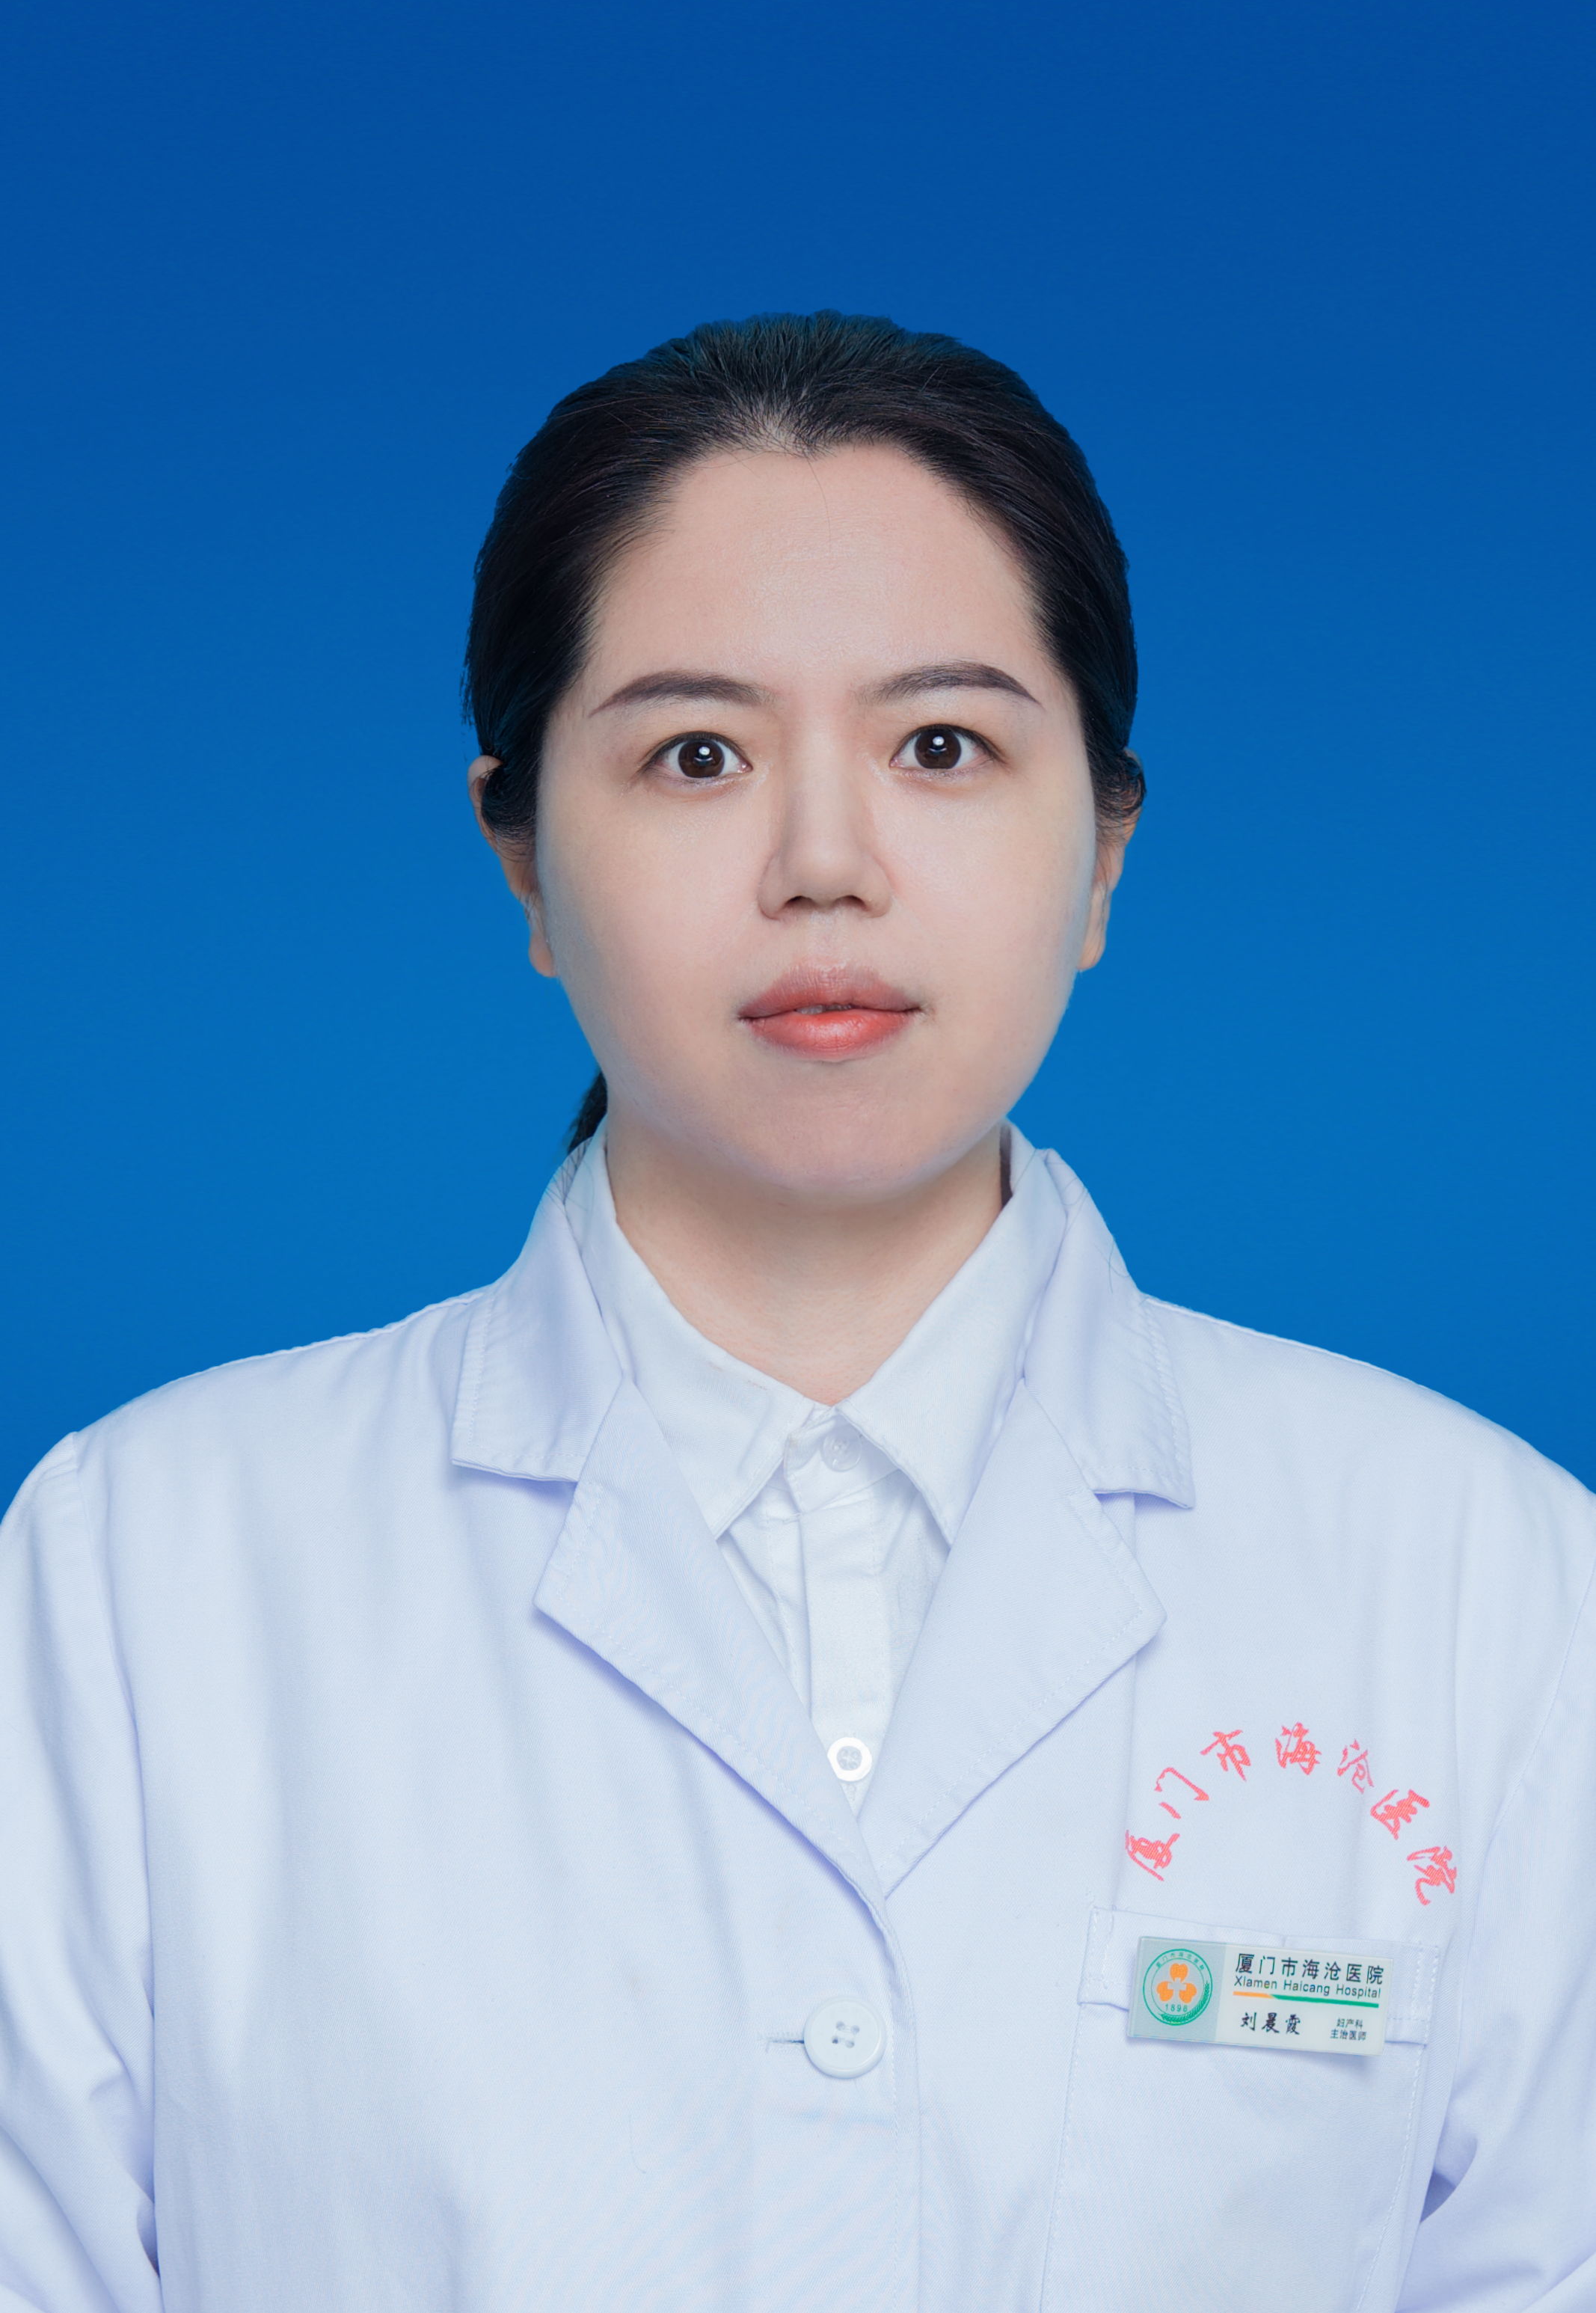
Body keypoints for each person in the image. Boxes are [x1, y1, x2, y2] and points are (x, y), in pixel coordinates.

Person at [1, 312, 1592, 2313]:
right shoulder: (140, 1575)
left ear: (1105, 847)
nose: (824, 864)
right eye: (697, 755)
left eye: (942, 748)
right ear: (522, 857)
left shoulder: (1486, 1581)